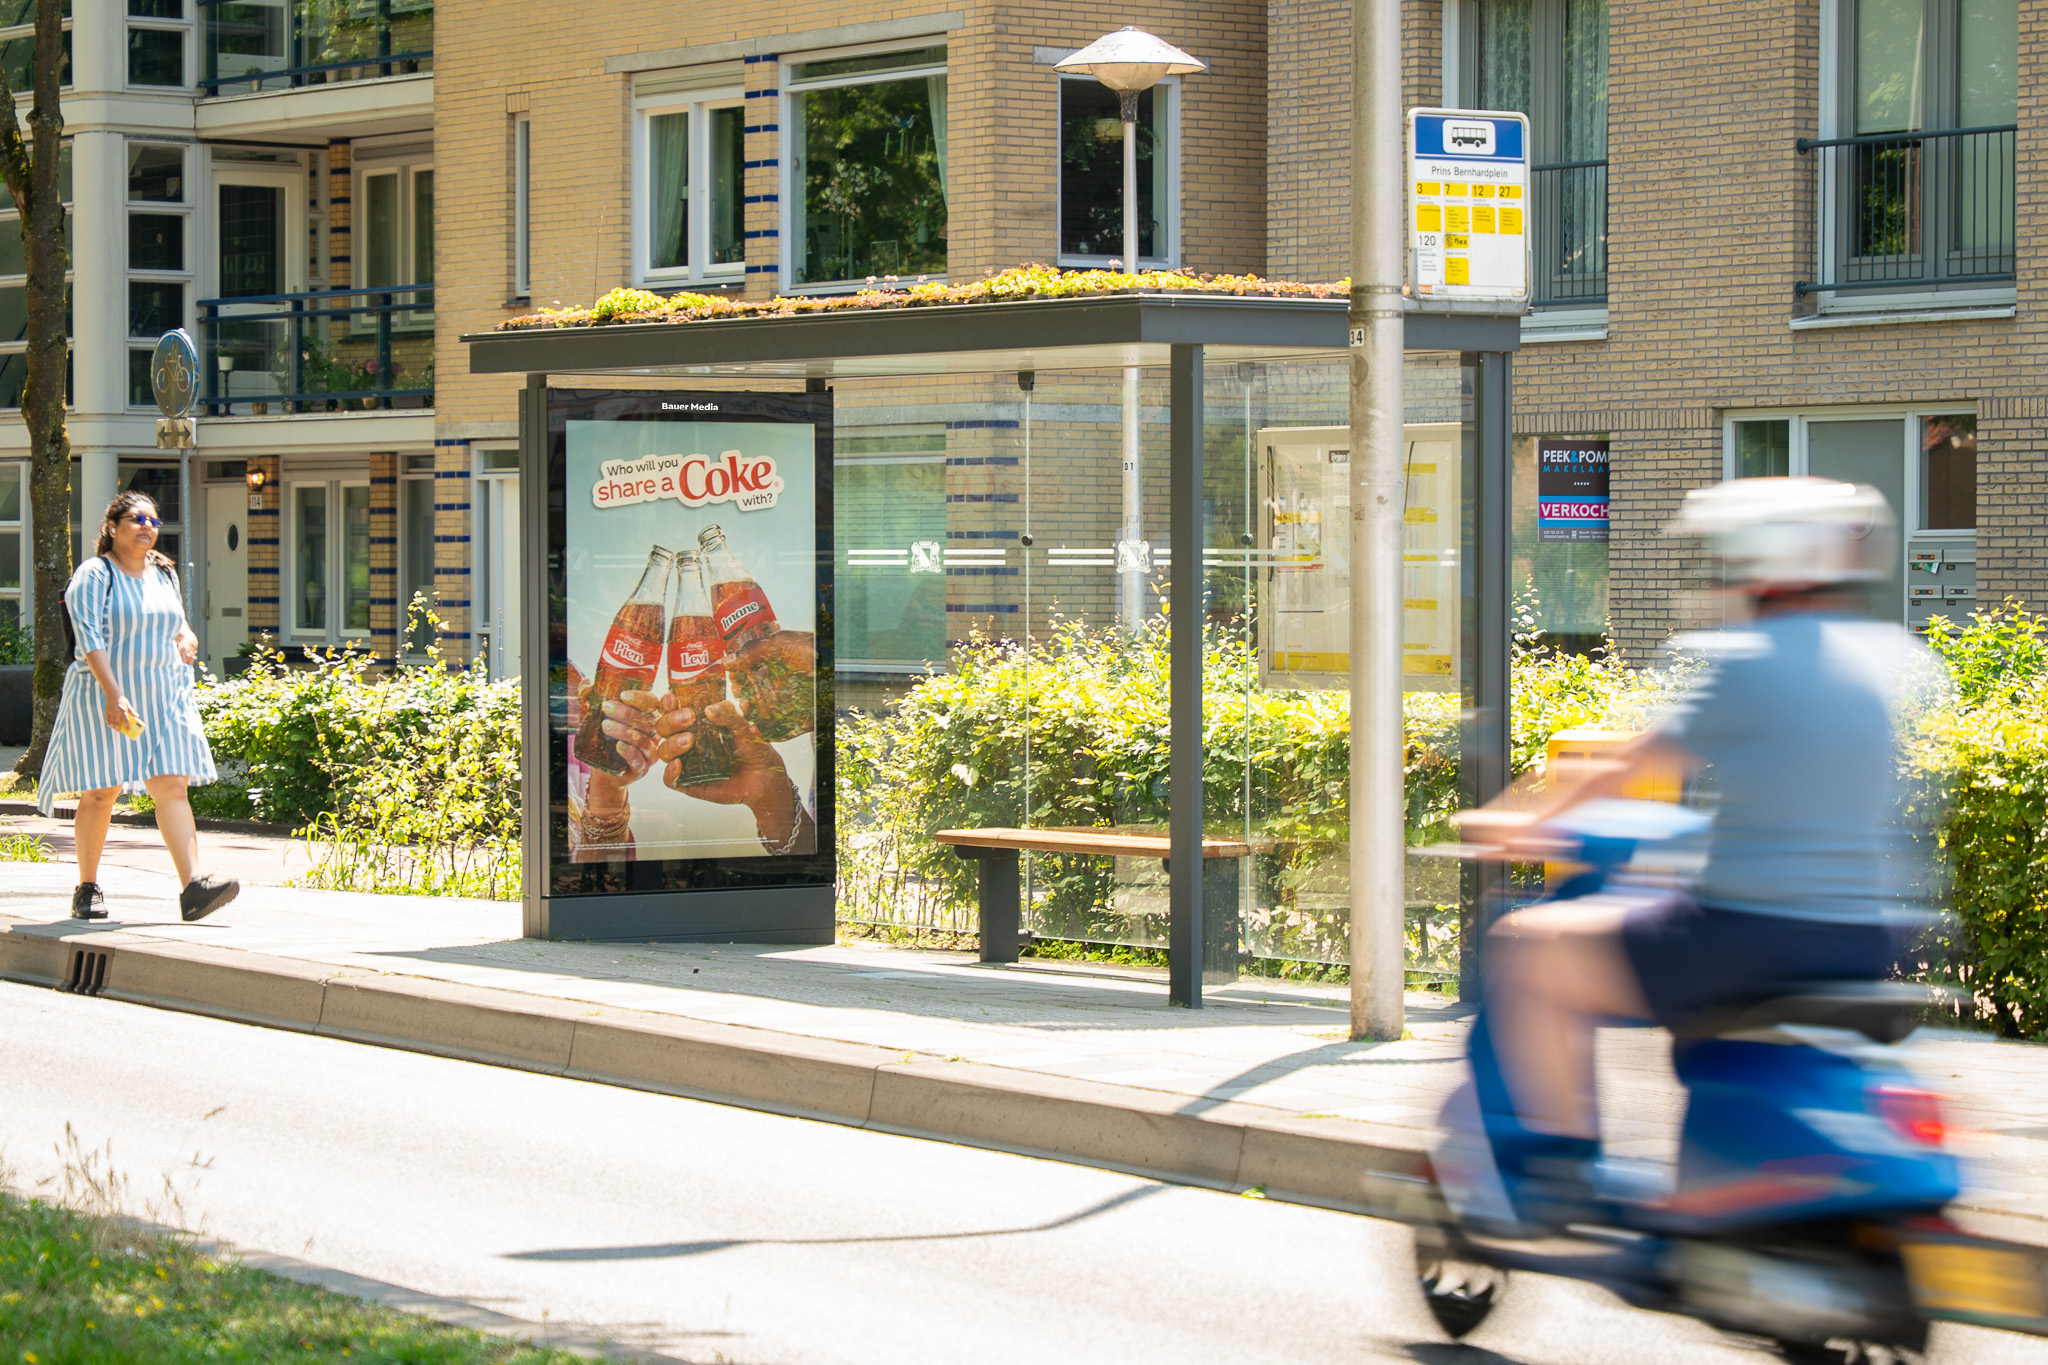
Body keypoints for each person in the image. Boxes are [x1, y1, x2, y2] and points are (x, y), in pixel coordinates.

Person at [1459, 477, 1935, 1223]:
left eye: (1728, 560)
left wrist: (1515, 822)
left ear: (1762, 562)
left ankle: (1554, 1169)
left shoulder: (1755, 660)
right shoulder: (1895, 659)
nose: (1722, 578)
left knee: (1532, 946)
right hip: (1865, 938)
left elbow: (1633, 763)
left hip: (1749, 934)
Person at [38, 492, 240, 923]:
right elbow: (89, 638)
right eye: (137, 519)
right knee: (101, 790)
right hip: (105, 694)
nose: (148, 526)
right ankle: (87, 887)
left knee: (172, 786)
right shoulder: (94, 575)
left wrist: (187, 637)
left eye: (153, 520)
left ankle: (193, 888)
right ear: (112, 527)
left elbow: (176, 622)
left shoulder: (163, 572)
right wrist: (113, 694)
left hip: (163, 695)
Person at [564, 660, 815, 859]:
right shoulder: (567, 690)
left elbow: (597, 888)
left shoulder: (567, 687)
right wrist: (771, 794)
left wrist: (770, 795)